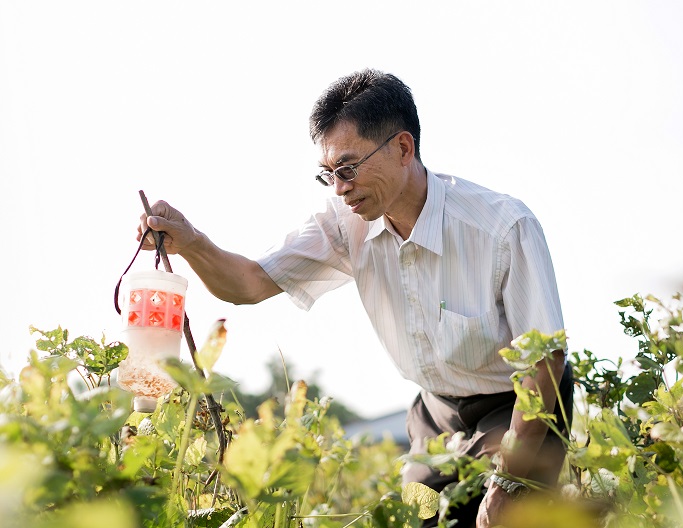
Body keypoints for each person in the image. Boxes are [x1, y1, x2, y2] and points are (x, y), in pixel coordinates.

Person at [137, 68, 573, 528]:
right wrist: (190, 241)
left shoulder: (503, 227)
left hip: (519, 403)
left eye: (348, 169)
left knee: (500, 520)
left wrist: (508, 484)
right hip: (438, 412)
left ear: (404, 149)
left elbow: (544, 365)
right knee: (413, 521)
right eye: (329, 175)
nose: (341, 188)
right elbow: (248, 283)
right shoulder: (346, 225)